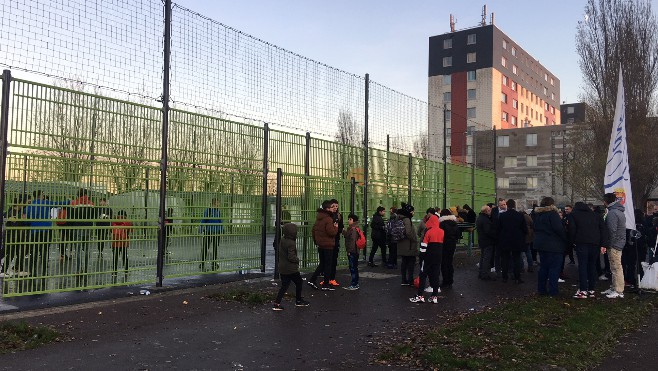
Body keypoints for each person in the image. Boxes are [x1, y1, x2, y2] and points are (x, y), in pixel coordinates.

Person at [24, 190, 70, 286]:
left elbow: (26, 220)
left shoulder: (30, 206)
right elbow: (58, 203)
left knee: (34, 251)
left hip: (34, 231)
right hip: (45, 230)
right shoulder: (46, 203)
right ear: (41, 196)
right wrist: (69, 201)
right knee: (45, 250)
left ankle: (33, 272)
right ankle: (44, 271)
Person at [569, 202, 607, 299]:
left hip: (581, 243)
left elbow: (572, 229)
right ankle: (591, 289)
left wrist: (572, 241)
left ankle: (583, 290)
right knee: (592, 265)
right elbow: (603, 229)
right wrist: (603, 244)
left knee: (582, 266)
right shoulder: (596, 215)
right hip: (595, 243)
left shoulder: (574, 215)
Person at [533, 197, 568, 296]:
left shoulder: (538, 215)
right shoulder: (553, 214)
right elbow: (559, 229)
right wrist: (565, 239)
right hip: (554, 245)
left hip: (540, 244)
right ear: (552, 204)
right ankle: (553, 291)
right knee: (554, 268)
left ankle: (541, 289)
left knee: (544, 267)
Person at [273, 223, 309, 311]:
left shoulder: (282, 240)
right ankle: (298, 300)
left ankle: (277, 303)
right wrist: (297, 260)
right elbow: (291, 256)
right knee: (299, 282)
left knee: (284, 285)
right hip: (291, 268)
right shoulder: (291, 243)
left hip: (282, 267)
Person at [410, 213, 443, 304]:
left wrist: (421, 256)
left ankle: (420, 295)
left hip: (428, 256)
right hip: (438, 256)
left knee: (423, 274)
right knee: (436, 275)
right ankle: (434, 296)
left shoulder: (429, 231)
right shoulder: (441, 231)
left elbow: (424, 246)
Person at [307, 200, 339, 291]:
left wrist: (316, 242)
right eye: (332, 207)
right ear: (327, 209)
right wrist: (335, 227)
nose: (334, 209)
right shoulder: (328, 219)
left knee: (322, 264)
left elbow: (313, 231)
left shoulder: (319, 218)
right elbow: (331, 232)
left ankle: (313, 280)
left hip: (321, 245)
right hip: (328, 245)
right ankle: (325, 284)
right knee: (327, 264)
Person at [601, 193, 626, 299]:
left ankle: (618, 290)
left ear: (606, 201)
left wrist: (608, 245)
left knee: (616, 267)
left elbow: (612, 231)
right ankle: (614, 287)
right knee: (614, 267)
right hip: (618, 242)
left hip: (614, 244)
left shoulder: (612, 213)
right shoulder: (618, 211)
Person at [497, 199, 528, 284]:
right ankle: (517, 277)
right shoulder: (520, 215)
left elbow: (499, 229)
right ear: (514, 205)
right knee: (516, 259)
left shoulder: (502, 216)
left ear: (507, 205)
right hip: (517, 240)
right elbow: (525, 229)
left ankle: (504, 277)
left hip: (505, 240)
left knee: (505, 259)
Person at [68, 189, 95, 281]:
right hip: (88, 228)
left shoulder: (74, 203)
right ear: (86, 194)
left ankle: (79, 270)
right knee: (87, 249)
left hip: (77, 227)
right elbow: (93, 216)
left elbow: (71, 216)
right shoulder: (91, 203)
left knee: (78, 250)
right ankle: (86, 269)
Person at [1, 195, 28, 277]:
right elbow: (14, 223)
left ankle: (12, 269)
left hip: (16, 235)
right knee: (10, 252)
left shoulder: (18, 211)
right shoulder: (12, 212)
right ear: (19, 203)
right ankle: (3, 271)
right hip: (12, 236)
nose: (25, 204)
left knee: (13, 252)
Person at [200, 198, 224, 271]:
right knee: (205, 248)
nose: (219, 204)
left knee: (215, 248)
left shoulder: (218, 211)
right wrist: (200, 230)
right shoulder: (208, 210)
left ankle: (214, 262)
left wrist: (222, 231)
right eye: (218, 203)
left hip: (216, 233)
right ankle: (202, 263)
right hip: (208, 232)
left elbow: (220, 221)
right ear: (214, 203)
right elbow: (203, 220)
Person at [397, 203, 417, 286]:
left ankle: (404, 280)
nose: (413, 213)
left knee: (404, 262)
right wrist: (414, 239)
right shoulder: (407, 220)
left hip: (401, 244)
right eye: (412, 211)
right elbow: (408, 232)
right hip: (409, 245)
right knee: (411, 263)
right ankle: (410, 280)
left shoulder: (399, 218)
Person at [439, 209, 460, 288]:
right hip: (452, 244)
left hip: (444, 245)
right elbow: (458, 235)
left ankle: (445, 281)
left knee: (444, 263)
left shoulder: (442, 224)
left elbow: (440, 235)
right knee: (450, 262)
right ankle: (450, 281)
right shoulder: (455, 223)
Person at [111, 210, 132, 281]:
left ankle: (114, 272)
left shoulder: (114, 221)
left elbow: (111, 230)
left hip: (115, 241)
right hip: (123, 241)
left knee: (115, 257)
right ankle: (126, 271)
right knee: (124, 256)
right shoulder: (127, 221)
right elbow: (130, 230)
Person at [476, 204, 496, 281]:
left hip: (482, 240)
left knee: (482, 257)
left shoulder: (480, 218)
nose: (490, 211)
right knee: (486, 258)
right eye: (489, 210)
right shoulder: (485, 220)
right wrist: (494, 235)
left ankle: (481, 273)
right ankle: (484, 274)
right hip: (487, 241)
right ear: (486, 211)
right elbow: (488, 231)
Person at [343, 213, 361, 290]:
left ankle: (354, 284)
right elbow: (348, 236)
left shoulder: (353, 229)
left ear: (354, 221)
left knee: (353, 267)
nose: (348, 221)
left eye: (350, 219)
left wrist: (349, 251)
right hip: (355, 250)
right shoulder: (354, 228)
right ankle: (355, 283)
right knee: (354, 267)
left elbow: (352, 241)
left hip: (353, 251)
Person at [327, 199, 343, 287]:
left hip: (335, 240)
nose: (335, 208)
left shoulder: (339, 216)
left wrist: (336, 229)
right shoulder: (328, 216)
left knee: (334, 260)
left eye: (336, 206)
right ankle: (327, 278)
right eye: (333, 206)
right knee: (328, 260)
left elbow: (341, 227)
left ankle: (332, 278)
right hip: (329, 240)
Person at [522, 208, 535, 273]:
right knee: (528, 252)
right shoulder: (528, 217)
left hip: (521, 237)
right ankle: (530, 267)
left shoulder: (519, 217)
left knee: (521, 254)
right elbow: (532, 225)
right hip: (528, 237)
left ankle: (521, 268)